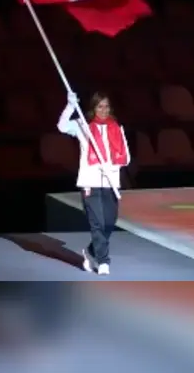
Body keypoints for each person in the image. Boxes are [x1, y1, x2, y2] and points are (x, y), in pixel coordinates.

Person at [57, 91, 130, 275]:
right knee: (97, 223)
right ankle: (103, 261)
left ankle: (90, 252)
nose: (104, 110)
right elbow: (62, 126)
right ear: (93, 108)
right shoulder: (84, 126)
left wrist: (112, 165)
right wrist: (70, 106)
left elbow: (126, 158)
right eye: (100, 106)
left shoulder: (116, 128)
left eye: (106, 106)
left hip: (111, 182)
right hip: (90, 182)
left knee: (109, 223)